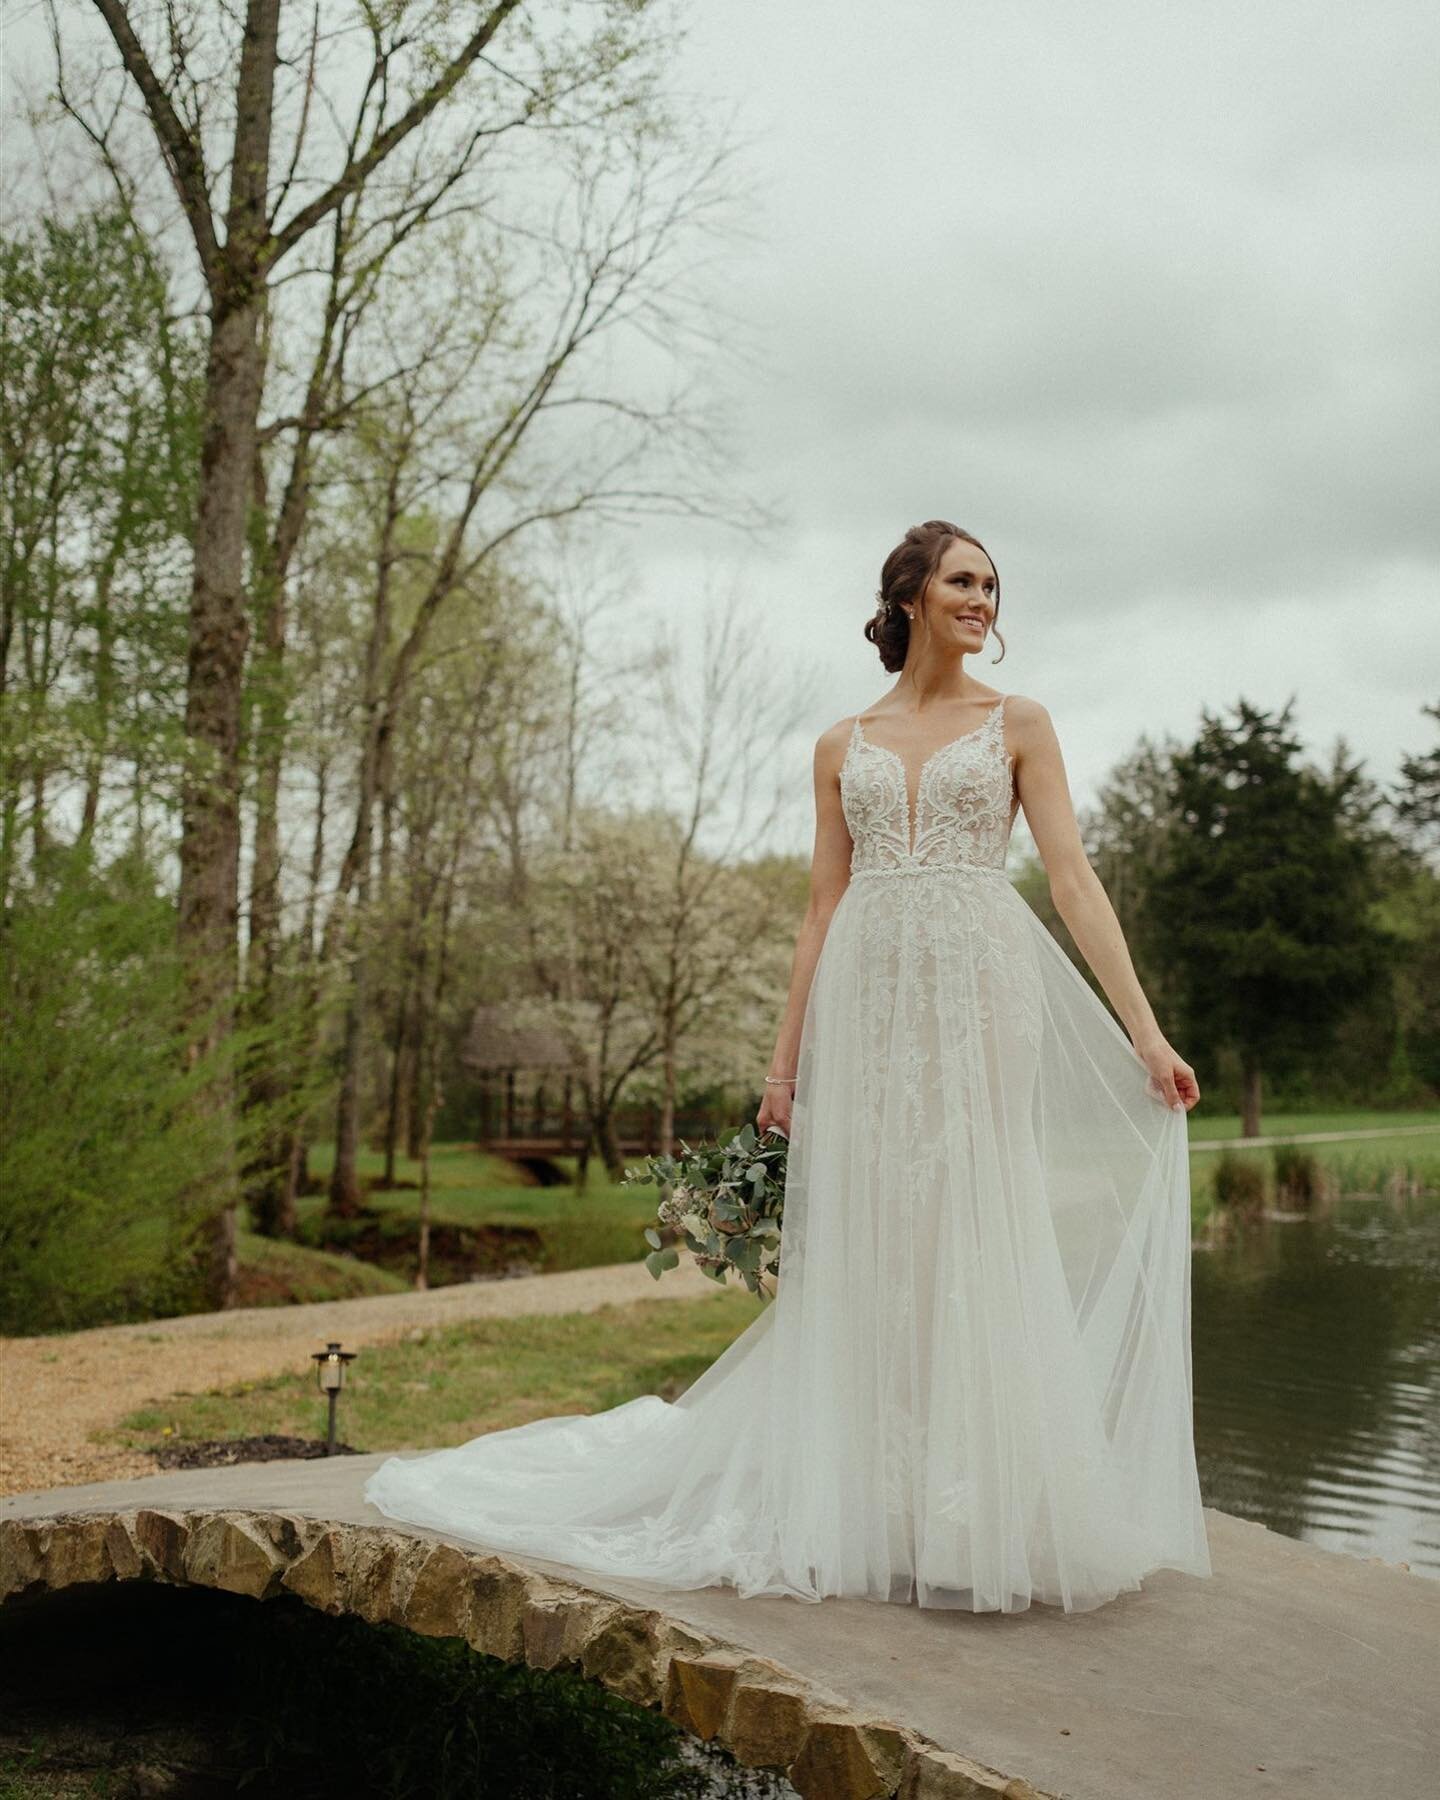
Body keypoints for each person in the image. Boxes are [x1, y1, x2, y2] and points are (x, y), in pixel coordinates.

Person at [364, 518, 1213, 1614]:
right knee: (880, 1233)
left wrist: (1146, 1032)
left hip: (983, 992)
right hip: (869, 1000)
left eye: (993, 586)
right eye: (963, 581)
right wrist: (782, 1072)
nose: (984, 601)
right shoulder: (838, 745)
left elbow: (1073, 881)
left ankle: (979, 1501)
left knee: (973, 1214)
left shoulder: (1021, 724)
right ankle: (874, 1491)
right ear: (909, 594)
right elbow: (820, 910)